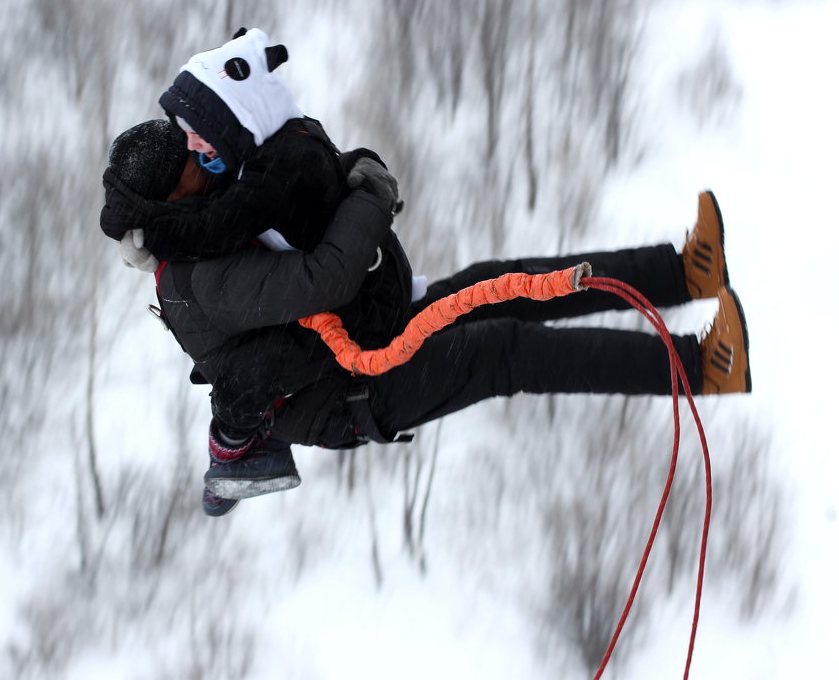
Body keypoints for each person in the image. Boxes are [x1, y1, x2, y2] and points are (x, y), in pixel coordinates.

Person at [104, 120, 751, 518]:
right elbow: (319, 282)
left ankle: (683, 272)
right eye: (191, 164)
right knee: (500, 350)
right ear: (169, 198)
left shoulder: (203, 223)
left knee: (501, 286)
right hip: (345, 391)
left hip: (366, 332)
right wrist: (369, 195)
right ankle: (702, 367)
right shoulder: (200, 277)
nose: (203, 160)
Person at [101, 29, 412, 513]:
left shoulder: (259, 169)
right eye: (189, 150)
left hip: (361, 310)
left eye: (197, 137)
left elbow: (253, 209)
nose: (198, 152)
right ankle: (232, 458)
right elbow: (263, 225)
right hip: (337, 329)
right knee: (246, 380)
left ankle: (231, 458)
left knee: (249, 381)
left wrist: (157, 236)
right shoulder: (234, 180)